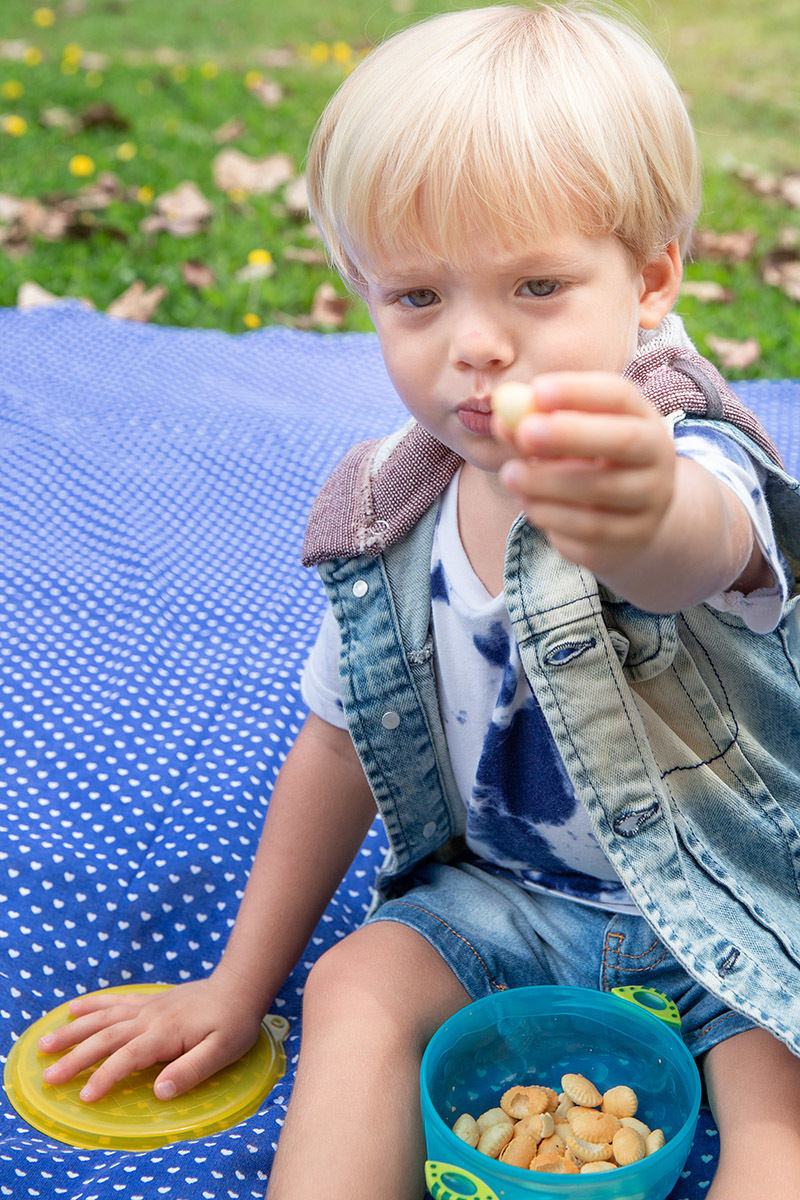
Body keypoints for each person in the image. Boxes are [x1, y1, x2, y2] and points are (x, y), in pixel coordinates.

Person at [38, 5, 800, 1199]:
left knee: (782, 1095)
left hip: (727, 909)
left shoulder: (682, 457)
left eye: (535, 285)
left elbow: (702, 554)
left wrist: (643, 512)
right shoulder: (388, 519)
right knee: (356, 986)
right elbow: (337, 746)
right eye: (416, 298)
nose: (476, 347)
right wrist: (240, 988)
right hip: (501, 897)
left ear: (650, 280)